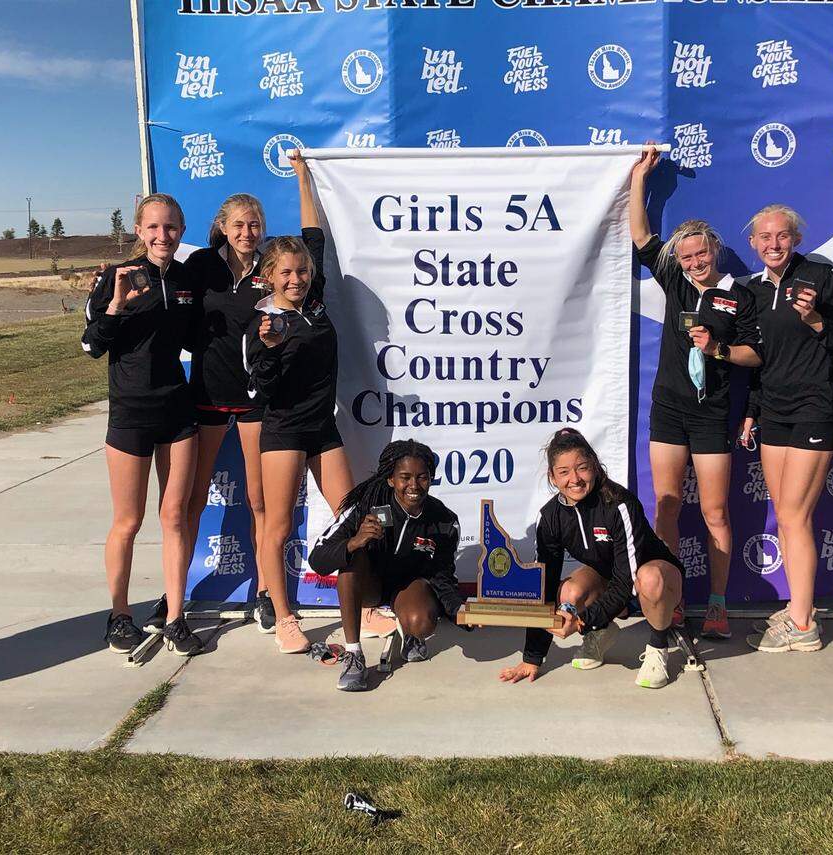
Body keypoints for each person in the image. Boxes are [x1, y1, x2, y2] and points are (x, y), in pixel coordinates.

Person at [629, 147, 760, 639]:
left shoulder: (739, 295)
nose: (695, 261)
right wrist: (640, 177)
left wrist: (720, 349)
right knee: (665, 505)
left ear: (715, 251)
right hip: (668, 409)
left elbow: (756, 356)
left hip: (711, 415)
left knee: (715, 512)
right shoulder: (674, 281)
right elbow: (641, 235)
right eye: (686, 256)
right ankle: (673, 596)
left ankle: (719, 605)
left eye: (701, 253)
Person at [81, 193, 204, 657]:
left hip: (177, 410)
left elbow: (205, 333)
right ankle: (119, 614)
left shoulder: (188, 279)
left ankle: (175, 616)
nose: (162, 236)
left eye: (170, 227)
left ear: (181, 229)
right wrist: (115, 304)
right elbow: (91, 346)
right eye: (153, 227)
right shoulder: (118, 277)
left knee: (174, 517)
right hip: (130, 414)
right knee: (128, 521)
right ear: (138, 231)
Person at [740, 204, 833, 653]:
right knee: (787, 516)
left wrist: (816, 320)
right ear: (753, 244)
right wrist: (752, 411)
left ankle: (803, 625)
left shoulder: (821, 276)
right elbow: (761, 360)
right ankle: (799, 608)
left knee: (794, 517)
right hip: (773, 413)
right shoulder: (751, 290)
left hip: (815, 410)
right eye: (764, 237)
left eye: (782, 235)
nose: (773, 244)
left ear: (795, 238)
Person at [244, 150, 355, 654]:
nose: (296, 278)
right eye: (285, 273)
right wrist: (268, 352)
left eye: (302, 271)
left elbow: (315, 238)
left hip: (323, 428)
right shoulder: (264, 321)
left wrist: (304, 176)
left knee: (350, 514)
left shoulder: (314, 303)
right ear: (268, 275)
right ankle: (284, 616)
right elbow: (263, 391)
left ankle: (363, 605)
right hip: (284, 431)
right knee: (278, 523)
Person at [499, 428, 684, 688]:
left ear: (595, 467)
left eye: (582, 468)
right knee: (568, 593)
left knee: (649, 578)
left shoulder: (620, 504)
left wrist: (580, 621)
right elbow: (545, 586)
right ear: (552, 477)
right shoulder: (550, 516)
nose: (574, 479)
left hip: (655, 579)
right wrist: (533, 657)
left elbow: (626, 581)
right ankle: (601, 633)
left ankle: (657, 647)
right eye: (563, 472)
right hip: (611, 580)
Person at [182, 194, 278, 634]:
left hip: (256, 398)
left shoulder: (270, 268)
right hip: (207, 395)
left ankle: (265, 593)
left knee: (259, 500)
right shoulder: (202, 264)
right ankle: (177, 591)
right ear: (223, 226)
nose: (247, 232)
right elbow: (161, 284)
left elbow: (294, 309)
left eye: (254, 224)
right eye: (239, 224)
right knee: (193, 500)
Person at [309, 440, 467, 691]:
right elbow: (318, 559)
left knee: (422, 622)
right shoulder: (364, 504)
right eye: (405, 477)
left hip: (407, 587)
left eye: (422, 477)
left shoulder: (444, 520)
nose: (413, 486)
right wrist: (353, 542)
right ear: (391, 479)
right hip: (369, 584)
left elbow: (442, 575)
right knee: (353, 558)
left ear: (431, 478)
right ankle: (353, 655)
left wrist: (459, 610)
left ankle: (409, 634)